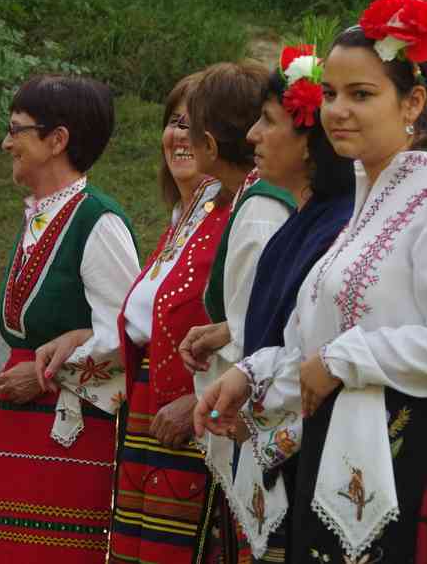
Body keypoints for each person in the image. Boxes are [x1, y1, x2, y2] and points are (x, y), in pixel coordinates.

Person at [196, 0, 427, 563]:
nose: (338, 110)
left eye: (361, 95)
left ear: (412, 101)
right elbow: (313, 347)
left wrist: (345, 360)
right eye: (330, 94)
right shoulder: (364, 209)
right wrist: (251, 375)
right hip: (346, 453)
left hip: (413, 456)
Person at [184, 45, 354, 562]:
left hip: (305, 453)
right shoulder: (305, 222)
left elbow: (318, 352)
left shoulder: (334, 227)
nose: (253, 135)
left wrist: (260, 416)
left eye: (269, 121)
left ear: (309, 143)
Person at [0, 74, 139, 564]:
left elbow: (127, 336)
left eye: (17, 129)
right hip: (25, 424)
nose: (6, 143)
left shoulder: (98, 222)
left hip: (71, 435)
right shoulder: (42, 217)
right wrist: (5, 381)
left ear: (57, 140)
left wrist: (45, 376)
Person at [108, 63, 267, 563]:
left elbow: (253, 323)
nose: (181, 136)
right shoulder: (191, 213)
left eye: (192, 125)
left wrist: (194, 396)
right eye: (174, 121)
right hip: (153, 400)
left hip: (196, 406)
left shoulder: (244, 212)